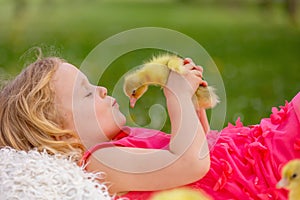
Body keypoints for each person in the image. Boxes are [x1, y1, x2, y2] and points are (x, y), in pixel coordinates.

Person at [0, 55, 299, 200]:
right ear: (58, 133)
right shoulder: (100, 162)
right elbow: (190, 165)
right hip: (265, 171)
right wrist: (176, 95)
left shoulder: (120, 143)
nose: (103, 89)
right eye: (88, 93)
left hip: (253, 156)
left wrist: (192, 107)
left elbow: (202, 148)